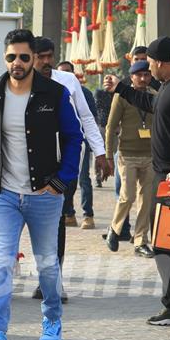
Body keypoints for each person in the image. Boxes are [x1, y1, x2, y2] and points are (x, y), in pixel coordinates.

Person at [0, 29, 83, 340]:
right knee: (0, 262)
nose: (17, 63)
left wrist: (61, 181)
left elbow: (73, 138)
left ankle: (52, 319)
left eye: (23, 57)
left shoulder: (54, 94)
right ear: (5, 58)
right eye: (11, 57)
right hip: (4, 195)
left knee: (46, 264)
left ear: (33, 60)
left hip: (45, 195)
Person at [104, 35, 170, 338]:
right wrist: (122, 89)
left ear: (161, 62)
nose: (149, 71)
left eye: (150, 65)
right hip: (168, 179)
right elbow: (151, 104)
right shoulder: (167, 88)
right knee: (165, 246)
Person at [32, 36, 108, 303]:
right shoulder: (18, 83)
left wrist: (100, 152)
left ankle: (54, 281)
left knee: (56, 222)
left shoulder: (67, 81)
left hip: (63, 165)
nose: (45, 61)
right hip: (26, 168)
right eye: (39, 56)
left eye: (48, 55)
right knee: (32, 225)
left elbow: (86, 117)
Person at [104, 60, 156, 258]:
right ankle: (115, 229)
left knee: (146, 200)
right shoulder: (122, 96)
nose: (143, 79)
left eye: (147, 75)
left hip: (150, 155)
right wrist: (109, 155)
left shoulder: (154, 96)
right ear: (131, 77)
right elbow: (110, 127)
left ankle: (141, 241)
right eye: (139, 75)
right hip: (127, 154)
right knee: (128, 196)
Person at [56, 60, 100, 229]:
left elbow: (90, 118)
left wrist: (96, 146)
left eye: (68, 71)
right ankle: (69, 213)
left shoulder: (85, 93)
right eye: (61, 72)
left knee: (83, 179)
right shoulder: (54, 92)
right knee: (67, 180)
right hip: (61, 144)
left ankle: (88, 214)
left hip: (80, 143)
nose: (64, 75)